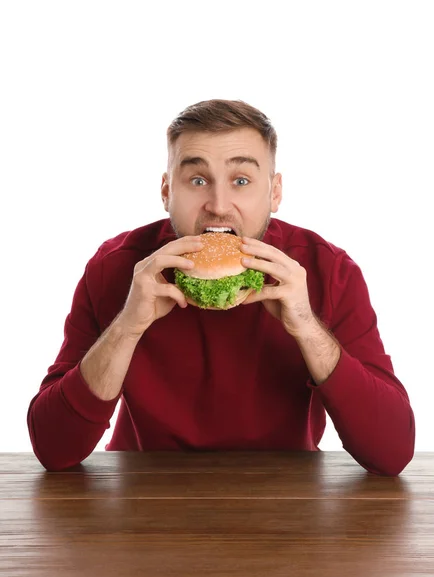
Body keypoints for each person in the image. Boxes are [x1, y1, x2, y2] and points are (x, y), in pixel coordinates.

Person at [27, 99, 415, 475]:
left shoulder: (327, 269)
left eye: (241, 180)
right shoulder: (116, 267)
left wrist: (306, 326)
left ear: (275, 192)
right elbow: (54, 450)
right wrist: (127, 327)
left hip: (286, 498)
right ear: (166, 192)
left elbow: (392, 452)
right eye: (197, 180)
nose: (218, 204)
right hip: (140, 493)